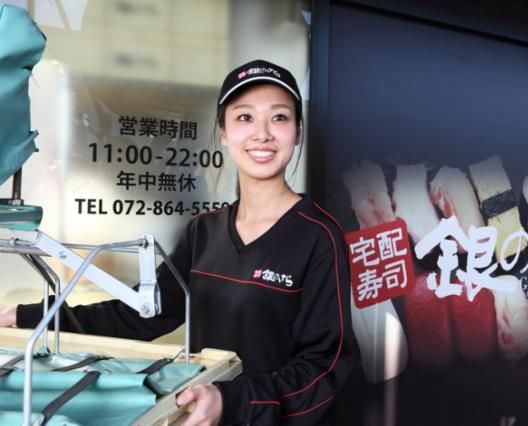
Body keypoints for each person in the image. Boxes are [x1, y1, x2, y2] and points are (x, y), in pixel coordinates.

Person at [0, 59, 354, 426]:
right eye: (244, 117)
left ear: (298, 132)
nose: (262, 134)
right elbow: (137, 316)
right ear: (223, 132)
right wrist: (25, 317)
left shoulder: (319, 236)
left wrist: (231, 400)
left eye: (279, 117)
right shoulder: (203, 232)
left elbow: (325, 366)